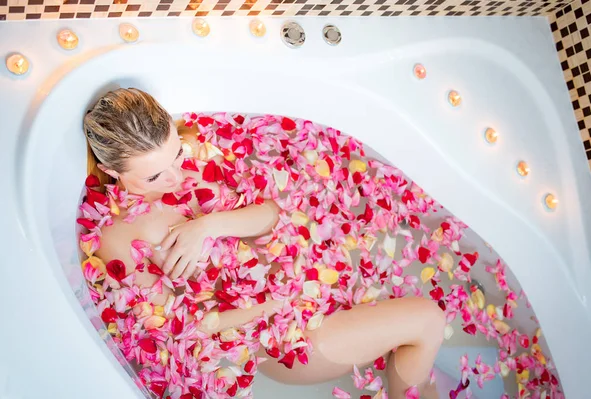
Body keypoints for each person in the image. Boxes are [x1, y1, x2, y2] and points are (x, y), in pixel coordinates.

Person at [83, 88, 445, 398]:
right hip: (287, 336)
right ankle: (414, 381)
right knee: (428, 320)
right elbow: (195, 328)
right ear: (114, 173)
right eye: (154, 175)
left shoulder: (192, 154)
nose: (177, 176)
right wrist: (278, 303)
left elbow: (271, 214)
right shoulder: (118, 238)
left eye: (177, 154)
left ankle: (409, 375)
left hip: (314, 278)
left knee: (421, 326)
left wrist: (207, 226)